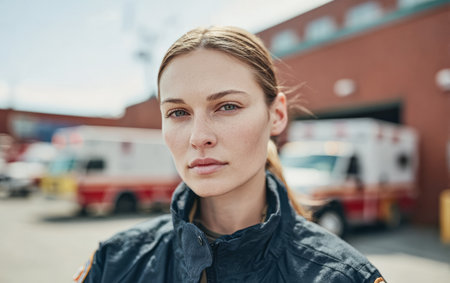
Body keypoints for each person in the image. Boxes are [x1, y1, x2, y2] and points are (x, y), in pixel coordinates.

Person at [74, 26, 385, 283]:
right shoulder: (114, 263)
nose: (199, 137)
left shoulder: (343, 277)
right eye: (178, 112)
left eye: (227, 107)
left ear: (276, 114)